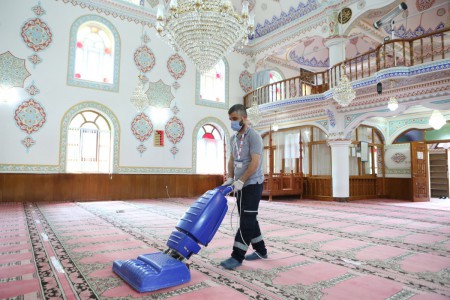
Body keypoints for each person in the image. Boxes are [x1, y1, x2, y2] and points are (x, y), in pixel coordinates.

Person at [220, 104, 268, 270]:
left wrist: (242, 180)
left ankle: (237, 256)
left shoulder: (254, 137)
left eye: (235, 119)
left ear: (244, 118)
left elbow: (255, 163)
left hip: (252, 184)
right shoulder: (234, 138)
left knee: (246, 220)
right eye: (230, 119)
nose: (232, 122)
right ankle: (261, 250)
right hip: (239, 185)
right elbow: (232, 160)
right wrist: (230, 178)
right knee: (249, 217)